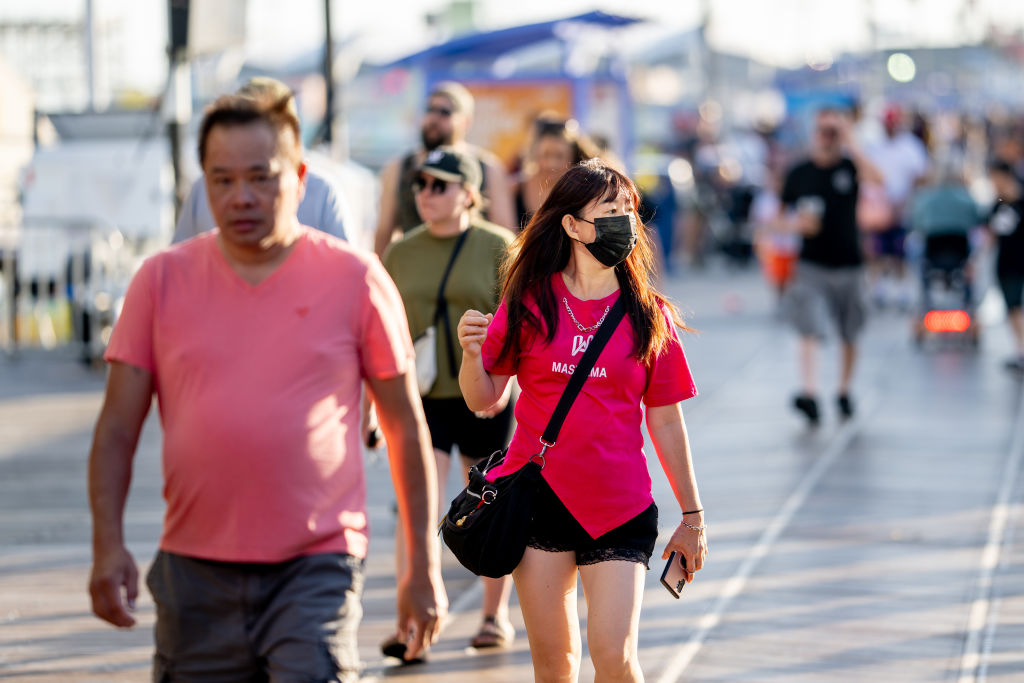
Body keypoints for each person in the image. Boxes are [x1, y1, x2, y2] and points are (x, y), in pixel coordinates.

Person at [87, 88, 447, 680]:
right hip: (193, 572)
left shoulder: (355, 278)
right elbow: (117, 429)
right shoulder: (160, 281)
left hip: (316, 567)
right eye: (221, 180)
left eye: (261, 176)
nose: (241, 197)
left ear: (300, 177)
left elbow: (405, 428)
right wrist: (108, 545)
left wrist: (421, 569)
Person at [457, 159, 706, 681]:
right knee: (555, 664)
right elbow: (485, 399)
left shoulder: (648, 314)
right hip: (536, 500)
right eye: (609, 210)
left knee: (615, 658)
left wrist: (692, 516)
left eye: (630, 211)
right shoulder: (529, 302)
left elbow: (666, 422)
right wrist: (470, 353)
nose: (625, 221)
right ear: (571, 225)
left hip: (620, 503)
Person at [381, 146, 518, 653]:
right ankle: (411, 627)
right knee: (420, 508)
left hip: (484, 394)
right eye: (419, 184)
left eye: (439, 184)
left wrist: (507, 385)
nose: (425, 194)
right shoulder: (401, 251)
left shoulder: (499, 246)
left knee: (485, 505)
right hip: (422, 396)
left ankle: (493, 615)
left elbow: (520, 324)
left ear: (468, 193)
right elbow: (387, 328)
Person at [779, 107, 885, 425]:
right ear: (814, 133)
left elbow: (879, 179)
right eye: (823, 131)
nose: (828, 138)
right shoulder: (799, 173)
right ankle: (810, 393)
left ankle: (843, 390)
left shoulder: (851, 166)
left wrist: (851, 142)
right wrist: (797, 224)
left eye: (833, 132)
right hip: (812, 264)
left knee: (849, 331)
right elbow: (778, 215)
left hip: (850, 262)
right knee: (809, 326)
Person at [172, 77, 353, 245]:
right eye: (225, 181)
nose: (241, 199)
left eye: (261, 178)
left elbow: (344, 267)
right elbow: (179, 262)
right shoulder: (202, 187)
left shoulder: (322, 191)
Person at [374, 81, 515, 255]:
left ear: (466, 121)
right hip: (414, 271)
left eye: (444, 112)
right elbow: (383, 234)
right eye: (429, 110)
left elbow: (506, 233)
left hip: (470, 273)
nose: (434, 118)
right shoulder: (399, 167)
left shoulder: (487, 168)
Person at [863, 104, 930, 308]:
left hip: (903, 208)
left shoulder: (910, 146)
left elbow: (921, 176)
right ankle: (879, 287)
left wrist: (906, 200)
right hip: (879, 208)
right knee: (877, 249)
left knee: (900, 250)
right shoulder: (874, 146)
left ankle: (901, 288)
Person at [513, 115, 600, 230]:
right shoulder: (514, 189)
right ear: (535, 153)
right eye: (545, 155)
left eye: (559, 156)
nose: (551, 164)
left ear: (573, 157)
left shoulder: (585, 191)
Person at [986, 159, 1024, 371]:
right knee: (1012, 306)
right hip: (1007, 263)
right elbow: (991, 236)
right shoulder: (998, 204)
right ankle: (1020, 350)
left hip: (1019, 260)